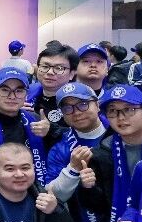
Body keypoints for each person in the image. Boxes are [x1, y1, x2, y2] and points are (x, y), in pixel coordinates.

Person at [75, 84, 142, 222]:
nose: (121, 117)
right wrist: (88, 188)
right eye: (112, 111)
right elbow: (99, 207)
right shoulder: (101, 155)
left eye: (129, 109)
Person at [0, 143, 74, 222]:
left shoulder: (47, 199)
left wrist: (56, 211)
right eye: (10, 169)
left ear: (33, 169)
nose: (19, 174)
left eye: (25, 168)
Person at [43, 82, 108, 210]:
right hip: (86, 217)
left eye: (83, 104)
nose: (76, 112)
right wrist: (72, 169)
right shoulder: (60, 148)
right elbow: (51, 194)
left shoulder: (119, 129)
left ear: (97, 105)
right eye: (67, 108)